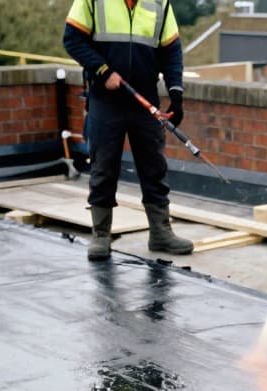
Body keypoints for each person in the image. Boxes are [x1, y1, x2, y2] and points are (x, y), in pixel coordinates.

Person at [64, 0, 193, 262]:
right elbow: (72, 39)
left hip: (145, 100)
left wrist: (176, 94)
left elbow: (171, 52)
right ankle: (101, 234)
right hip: (105, 100)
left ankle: (160, 232)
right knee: (103, 166)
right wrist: (103, 71)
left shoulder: (160, 3)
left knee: (154, 166)